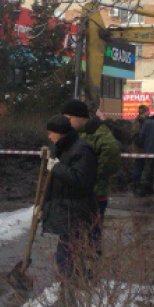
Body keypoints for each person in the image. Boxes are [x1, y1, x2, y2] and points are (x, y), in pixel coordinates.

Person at [42, 114, 100, 283]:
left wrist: (57, 167)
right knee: (69, 252)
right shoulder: (64, 147)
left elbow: (81, 180)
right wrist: (44, 205)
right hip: (67, 209)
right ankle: (73, 286)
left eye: (51, 132)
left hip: (76, 210)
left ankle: (70, 291)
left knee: (68, 254)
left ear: (60, 133)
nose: (48, 136)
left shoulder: (82, 150)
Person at [62, 99, 121, 219]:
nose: (66, 123)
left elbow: (111, 162)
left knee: (88, 233)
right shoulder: (75, 134)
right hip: (73, 195)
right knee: (69, 233)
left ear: (80, 118)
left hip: (93, 195)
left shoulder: (99, 135)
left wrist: (89, 178)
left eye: (69, 119)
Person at [130, 104, 150, 191]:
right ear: (144, 112)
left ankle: (141, 185)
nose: (149, 113)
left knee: (142, 166)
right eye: (148, 111)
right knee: (139, 166)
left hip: (143, 148)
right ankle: (136, 185)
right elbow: (135, 136)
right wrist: (143, 145)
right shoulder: (138, 122)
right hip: (140, 149)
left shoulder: (144, 121)